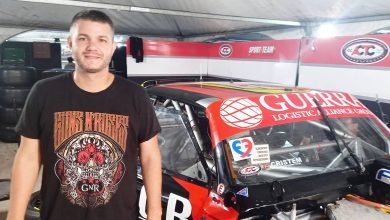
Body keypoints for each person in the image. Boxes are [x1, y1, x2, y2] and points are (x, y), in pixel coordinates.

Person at [7, 10, 162, 220]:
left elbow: (150, 157)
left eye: (102, 39)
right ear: (70, 43)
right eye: (83, 38)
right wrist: (14, 216)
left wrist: (155, 212)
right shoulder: (43, 92)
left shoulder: (135, 96)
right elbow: (28, 157)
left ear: (112, 47)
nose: (92, 47)